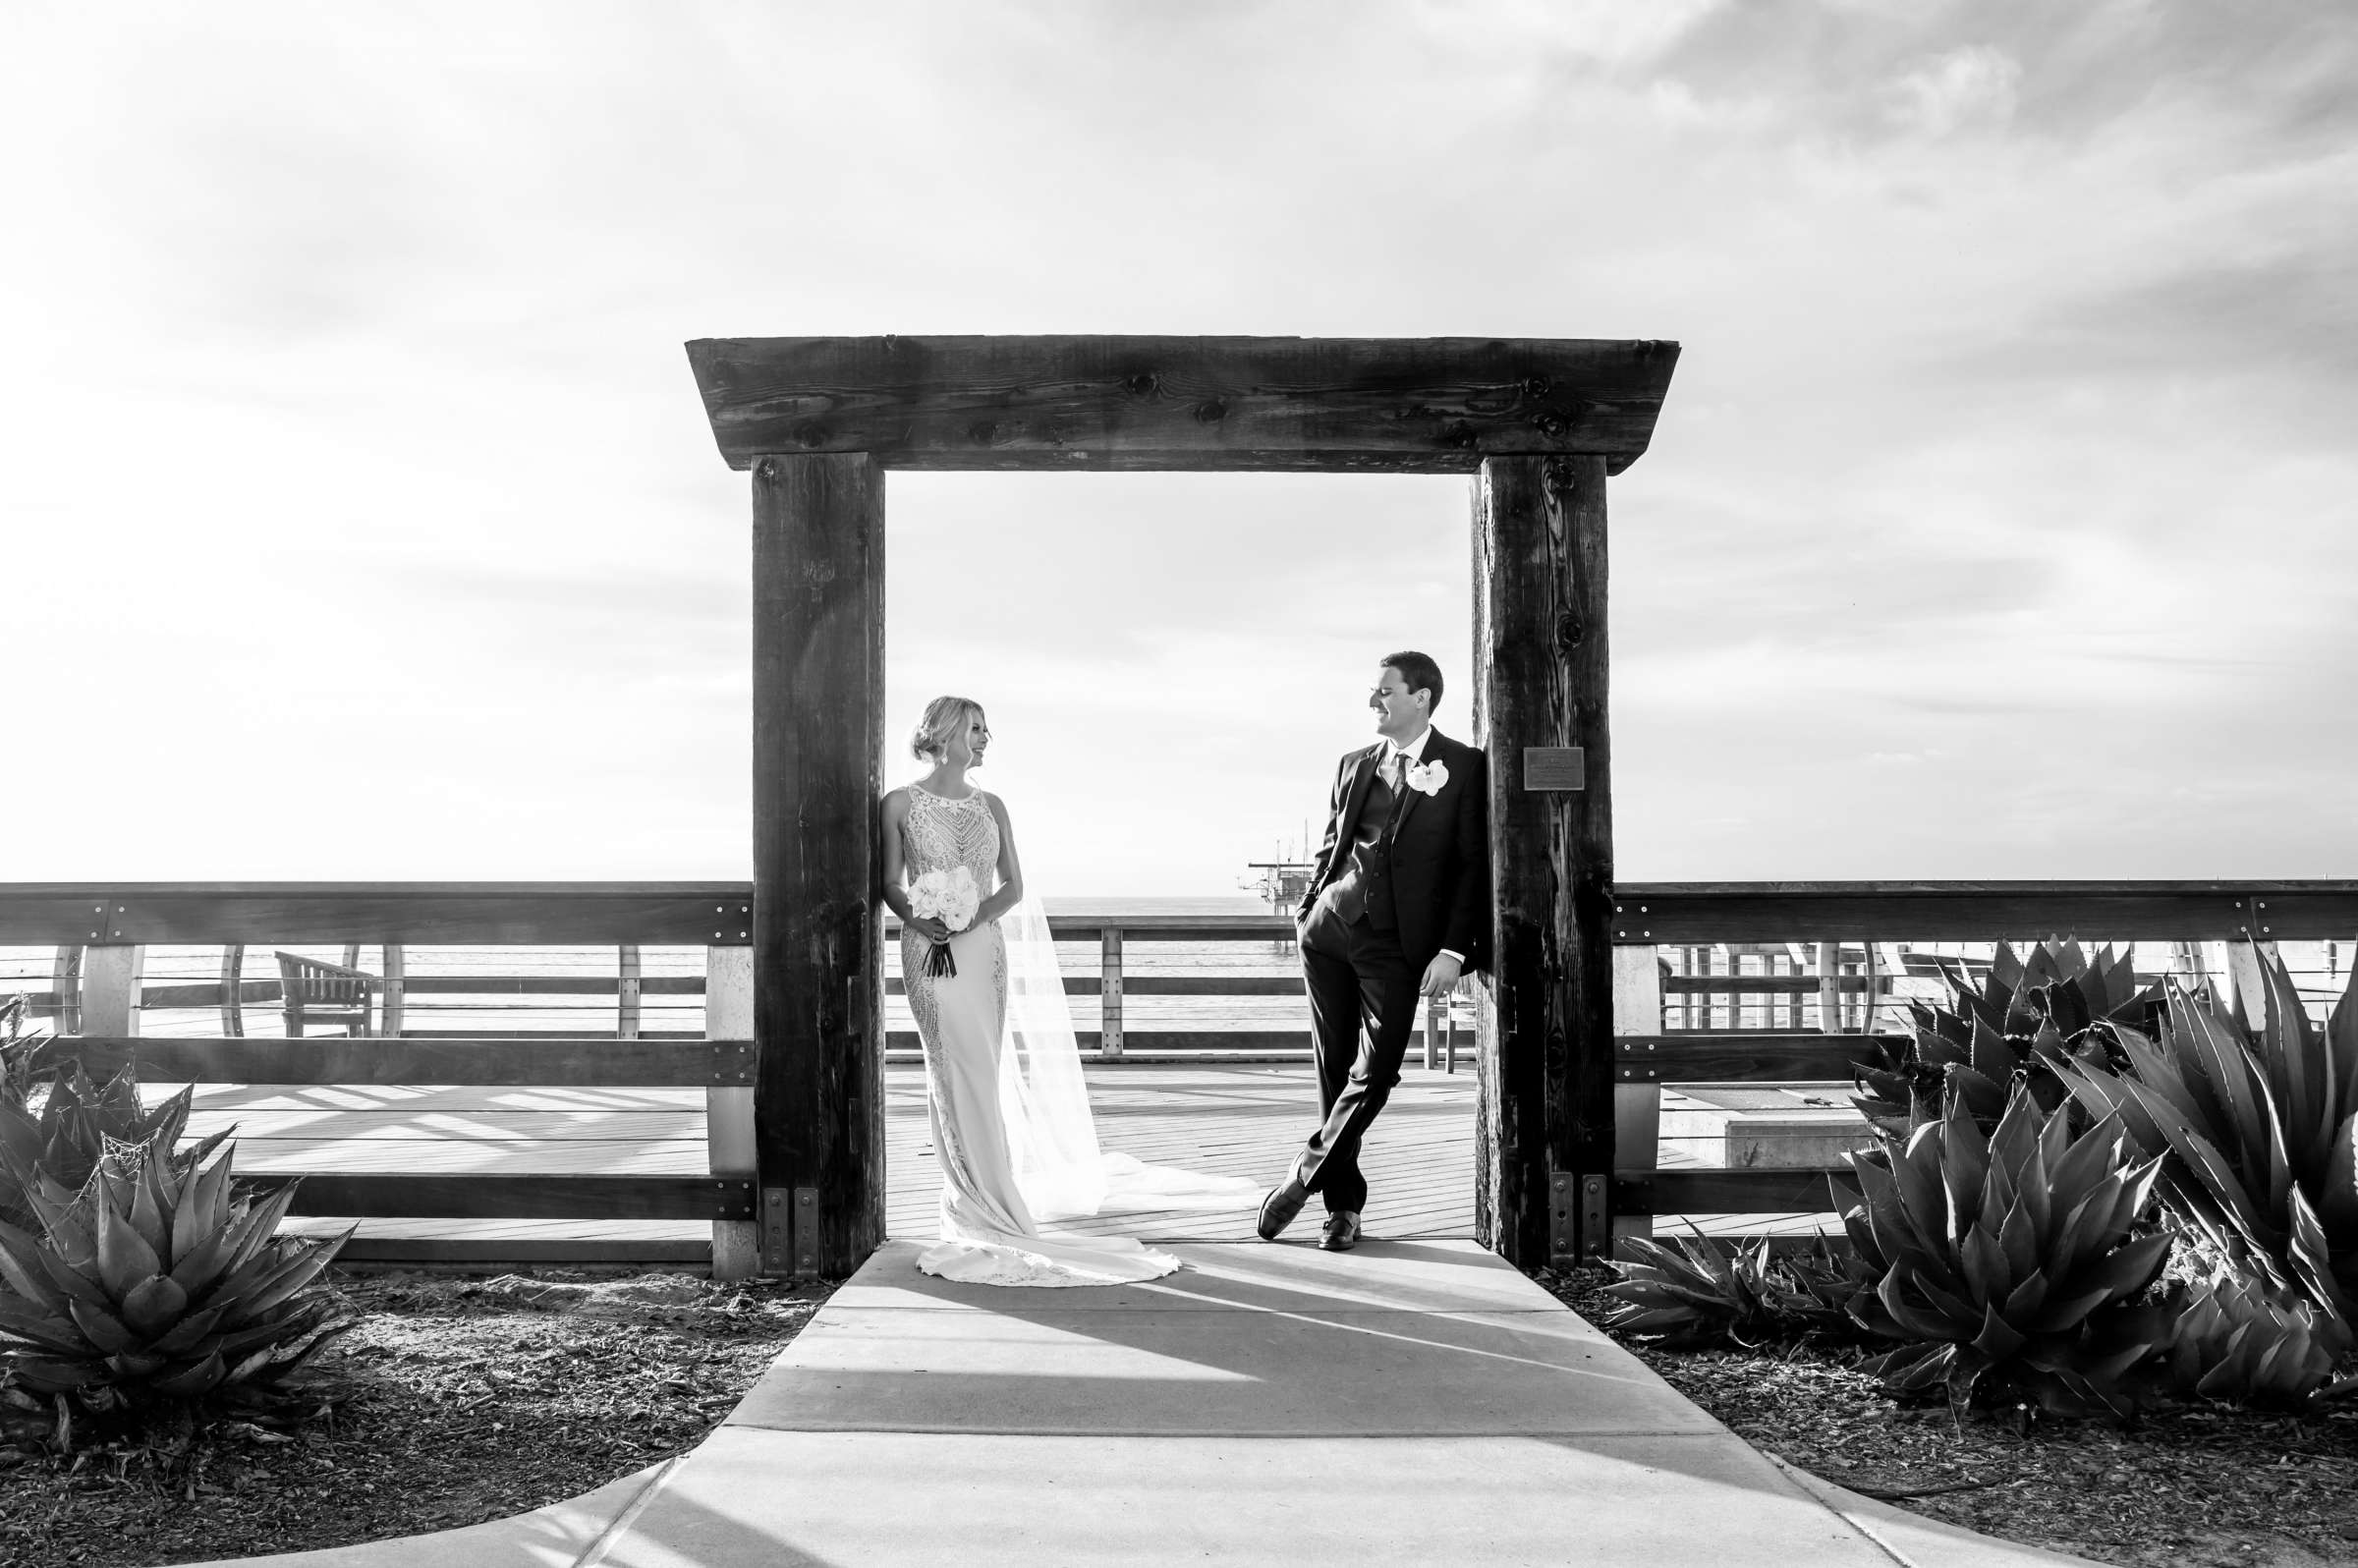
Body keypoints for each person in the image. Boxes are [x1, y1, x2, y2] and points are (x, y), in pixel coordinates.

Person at [880, 696, 1230, 1286]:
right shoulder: (898, 804)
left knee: (982, 1071)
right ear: (944, 733)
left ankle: (991, 1197)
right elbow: (890, 882)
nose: (987, 738)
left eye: (987, 729)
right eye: (976, 729)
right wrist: (921, 920)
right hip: (929, 953)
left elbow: (1013, 885)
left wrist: (973, 916)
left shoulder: (993, 805)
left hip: (982, 949)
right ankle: (970, 1203)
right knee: (949, 1070)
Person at [1260, 652, 1490, 1252]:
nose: (1373, 702)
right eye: (1374, 691)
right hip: (1329, 932)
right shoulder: (1353, 765)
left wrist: (1454, 951)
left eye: (1385, 692)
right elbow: (1334, 842)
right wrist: (1306, 908)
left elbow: (1472, 868)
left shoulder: (1464, 767)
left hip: (1399, 944)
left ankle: (1303, 1175)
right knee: (1334, 1071)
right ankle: (1343, 1211)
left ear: (1421, 698)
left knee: (1377, 1070)